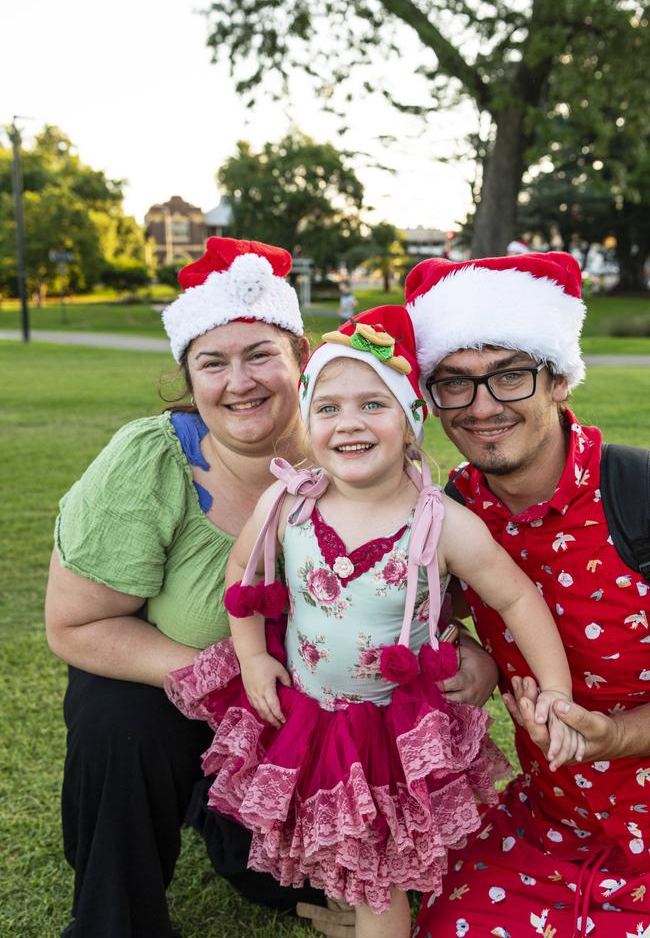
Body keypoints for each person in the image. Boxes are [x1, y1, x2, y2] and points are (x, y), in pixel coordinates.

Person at [165, 304, 585, 938]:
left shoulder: (442, 523)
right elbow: (243, 576)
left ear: (411, 422)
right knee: (325, 835)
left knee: (379, 875)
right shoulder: (289, 501)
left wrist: (554, 689)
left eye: (373, 405)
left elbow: (517, 599)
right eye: (328, 408)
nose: (349, 423)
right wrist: (252, 655)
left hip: (388, 730)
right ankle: (336, 897)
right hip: (305, 709)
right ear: (307, 423)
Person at [44, 236, 341, 938]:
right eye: (214, 362)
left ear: (303, 356)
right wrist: (239, 681)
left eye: (261, 354)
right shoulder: (151, 460)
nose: (239, 381)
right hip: (182, 703)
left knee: (291, 880)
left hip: (321, 721)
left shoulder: (357, 445)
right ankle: (116, 918)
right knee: (118, 715)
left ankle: (239, 837)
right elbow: (76, 627)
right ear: (191, 376)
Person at [405, 251, 650, 937]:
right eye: (454, 383)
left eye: (509, 374)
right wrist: (472, 652)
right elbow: (390, 622)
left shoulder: (639, 497)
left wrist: (619, 734)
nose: (482, 407)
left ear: (560, 379)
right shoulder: (448, 515)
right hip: (554, 824)